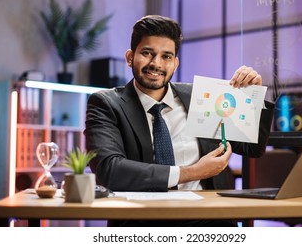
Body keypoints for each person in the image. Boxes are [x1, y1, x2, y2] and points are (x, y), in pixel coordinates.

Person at [84, 15, 274, 227]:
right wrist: (192, 172)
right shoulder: (106, 104)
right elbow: (109, 170)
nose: (156, 64)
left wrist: (254, 96)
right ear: (130, 57)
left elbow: (252, 147)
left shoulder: (200, 97)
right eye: (147, 53)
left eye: (166, 56)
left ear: (175, 63)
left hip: (211, 221)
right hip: (145, 225)